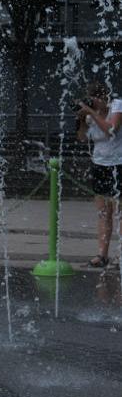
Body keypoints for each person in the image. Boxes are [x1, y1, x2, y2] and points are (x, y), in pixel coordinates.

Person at [76, 82, 122, 268]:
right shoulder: (90, 115)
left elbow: (111, 130)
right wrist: (81, 118)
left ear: (105, 98)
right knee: (104, 213)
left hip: (119, 164)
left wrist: (93, 113)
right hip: (100, 165)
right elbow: (81, 138)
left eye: (96, 101)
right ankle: (102, 256)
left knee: (119, 213)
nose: (94, 105)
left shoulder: (117, 105)